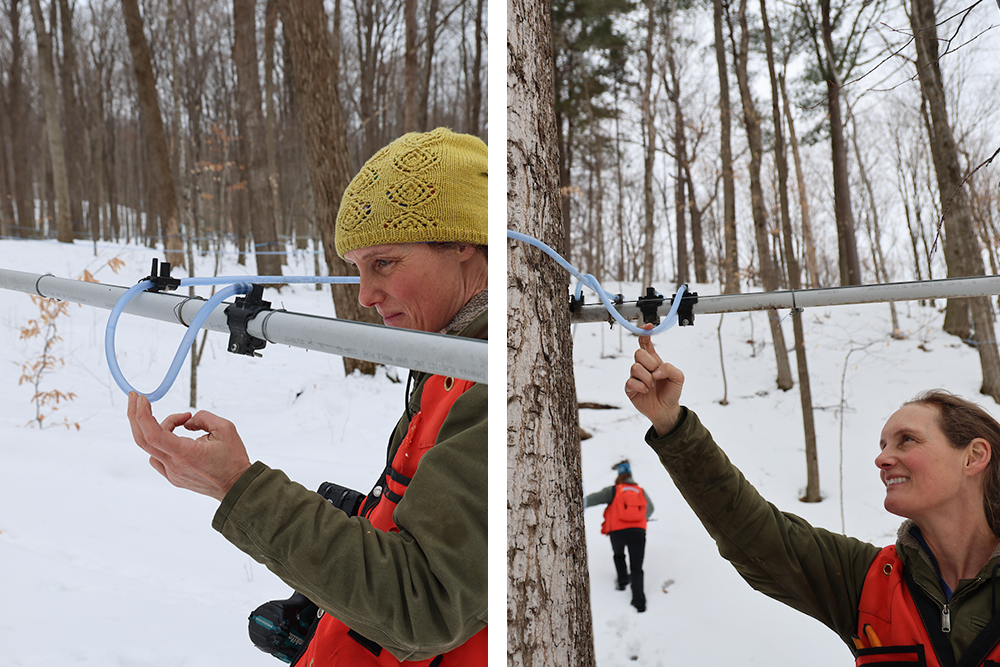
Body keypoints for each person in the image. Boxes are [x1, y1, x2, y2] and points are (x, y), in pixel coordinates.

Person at [126, 127, 487, 666]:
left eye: (383, 263)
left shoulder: (490, 378)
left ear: (461, 242)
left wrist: (237, 487)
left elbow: (426, 604)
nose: (365, 296)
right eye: (357, 269)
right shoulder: (445, 359)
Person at [625, 326, 1000, 665]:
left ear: (974, 456)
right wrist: (671, 424)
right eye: (883, 444)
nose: (882, 458)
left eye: (907, 440)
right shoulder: (867, 581)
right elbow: (752, 533)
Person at [585, 460, 655, 612]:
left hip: (618, 531)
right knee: (637, 568)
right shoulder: (640, 491)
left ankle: (622, 581)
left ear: (619, 476)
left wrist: (580, 502)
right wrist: (642, 518)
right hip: (638, 531)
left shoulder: (615, 490)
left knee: (619, 555)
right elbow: (651, 508)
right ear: (630, 474)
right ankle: (639, 602)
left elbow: (594, 498)